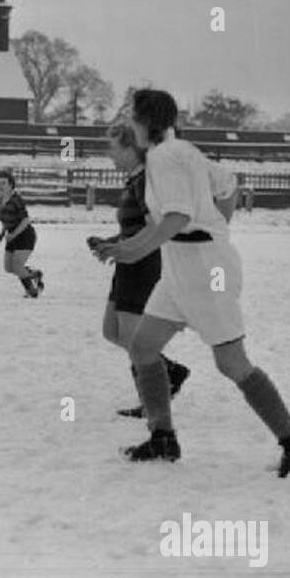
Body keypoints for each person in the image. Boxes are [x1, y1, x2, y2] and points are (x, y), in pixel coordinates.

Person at [94, 89, 290, 476]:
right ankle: (162, 438)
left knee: (232, 364)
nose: (128, 122)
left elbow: (178, 217)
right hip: (181, 268)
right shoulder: (178, 152)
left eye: (131, 116)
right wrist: (211, 228)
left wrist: (135, 251)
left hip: (205, 273)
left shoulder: (167, 156)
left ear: (144, 121)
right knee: (143, 346)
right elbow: (226, 186)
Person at [87, 122, 190, 416]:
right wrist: (111, 243)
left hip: (142, 264)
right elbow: (135, 228)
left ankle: (151, 403)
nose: (110, 154)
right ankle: (169, 372)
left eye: (115, 148)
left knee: (135, 340)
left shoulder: (146, 180)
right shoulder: (133, 180)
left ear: (133, 149)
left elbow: (156, 227)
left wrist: (125, 248)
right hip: (126, 261)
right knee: (112, 331)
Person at [0, 169, 44, 297]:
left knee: (17, 266)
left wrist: (13, 234)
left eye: (4, 183)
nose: (0, 186)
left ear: (11, 185)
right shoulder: (0, 199)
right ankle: (35, 275)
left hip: (25, 235)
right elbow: (5, 218)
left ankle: (31, 291)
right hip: (11, 236)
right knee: (8, 268)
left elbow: (25, 220)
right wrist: (2, 232)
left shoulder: (17, 199)